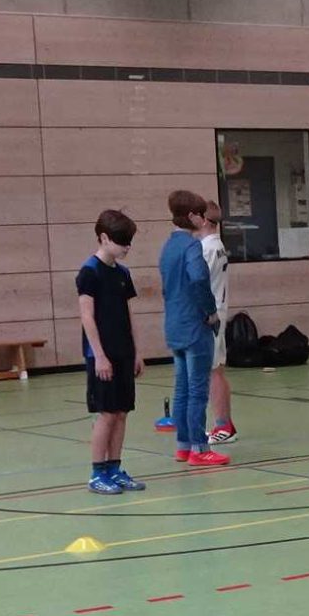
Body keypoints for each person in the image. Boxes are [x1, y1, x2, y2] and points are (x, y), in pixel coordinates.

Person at [77, 210, 146, 494]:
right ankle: (97, 473)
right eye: (121, 241)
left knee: (121, 413)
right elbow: (87, 316)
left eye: (129, 242)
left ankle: (115, 468)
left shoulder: (123, 273)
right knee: (106, 414)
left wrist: (137, 352)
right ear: (104, 238)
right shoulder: (89, 272)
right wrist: (100, 356)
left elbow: (129, 314)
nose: (127, 247)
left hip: (124, 352)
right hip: (102, 355)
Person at [158, 191, 227, 469]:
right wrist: (210, 311)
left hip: (174, 324)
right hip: (194, 325)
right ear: (191, 216)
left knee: (182, 388)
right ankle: (200, 447)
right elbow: (199, 279)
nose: (204, 219)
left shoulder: (167, 247)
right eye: (200, 214)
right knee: (198, 390)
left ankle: (183, 446)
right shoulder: (191, 247)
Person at [199, 204, 239, 445]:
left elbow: (199, 284)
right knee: (216, 370)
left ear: (204, 220)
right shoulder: (217, 245)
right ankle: (225, 424)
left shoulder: (207, 248)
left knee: (213, 371)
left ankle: (223, 425)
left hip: (211, 315)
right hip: (218, 312)